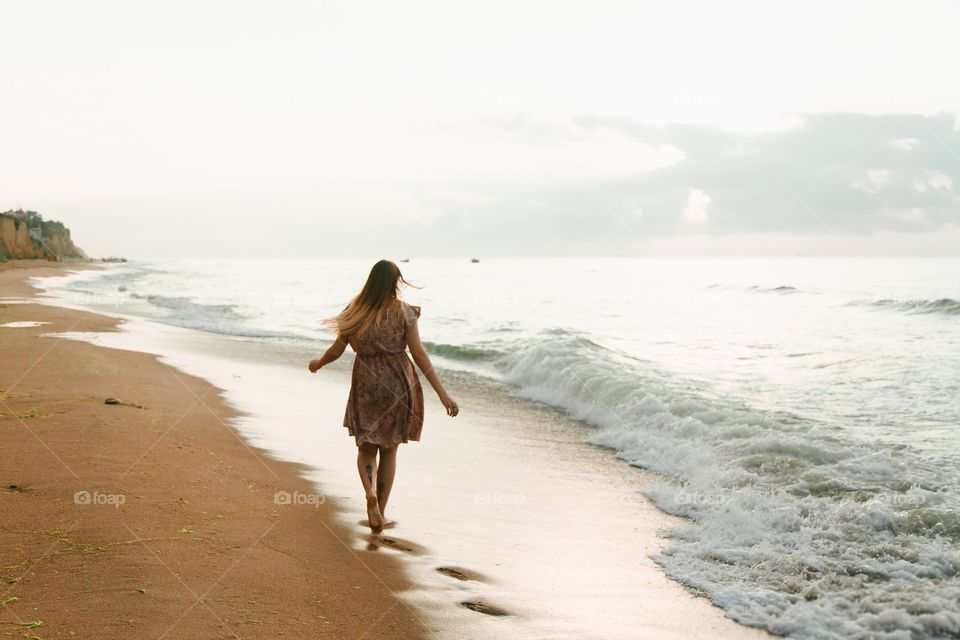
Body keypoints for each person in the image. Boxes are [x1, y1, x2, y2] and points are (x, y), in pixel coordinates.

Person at [308, 259, 459, 533]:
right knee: (389, 449)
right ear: (395, 283)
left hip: (366, 383)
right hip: (398, 385)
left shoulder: (355, 311)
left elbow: (336, 350)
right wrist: (443, 394)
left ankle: (370, 494)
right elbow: (419, 354)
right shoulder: (404, 312)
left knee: (366, 447)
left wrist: (318, 363)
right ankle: (382, 511)